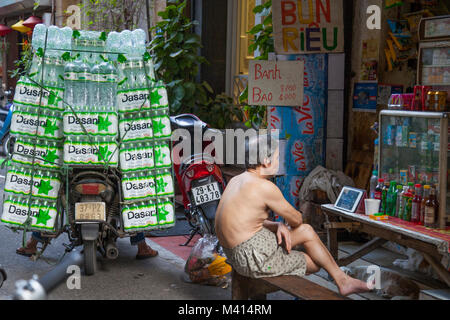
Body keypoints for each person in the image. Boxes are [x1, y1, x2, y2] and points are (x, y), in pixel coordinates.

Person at [215, 134, 373, 296]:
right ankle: (255, 288)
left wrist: (277, 225)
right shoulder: (264, 187)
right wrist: (293, 216)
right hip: (253, 258)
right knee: (313, 260)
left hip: (236, 254)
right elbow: (297, 220)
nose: (279, 162)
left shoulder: (237, 180)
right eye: (277, 157)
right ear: (266, 160)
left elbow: (245, 221)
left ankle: (343, 280)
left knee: (306, 235)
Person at [16, 231, 158, 260]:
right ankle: (142, 247)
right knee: (129, 198)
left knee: (53, 195)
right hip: (109, 169)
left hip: (74, 170)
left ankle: (32, 244)